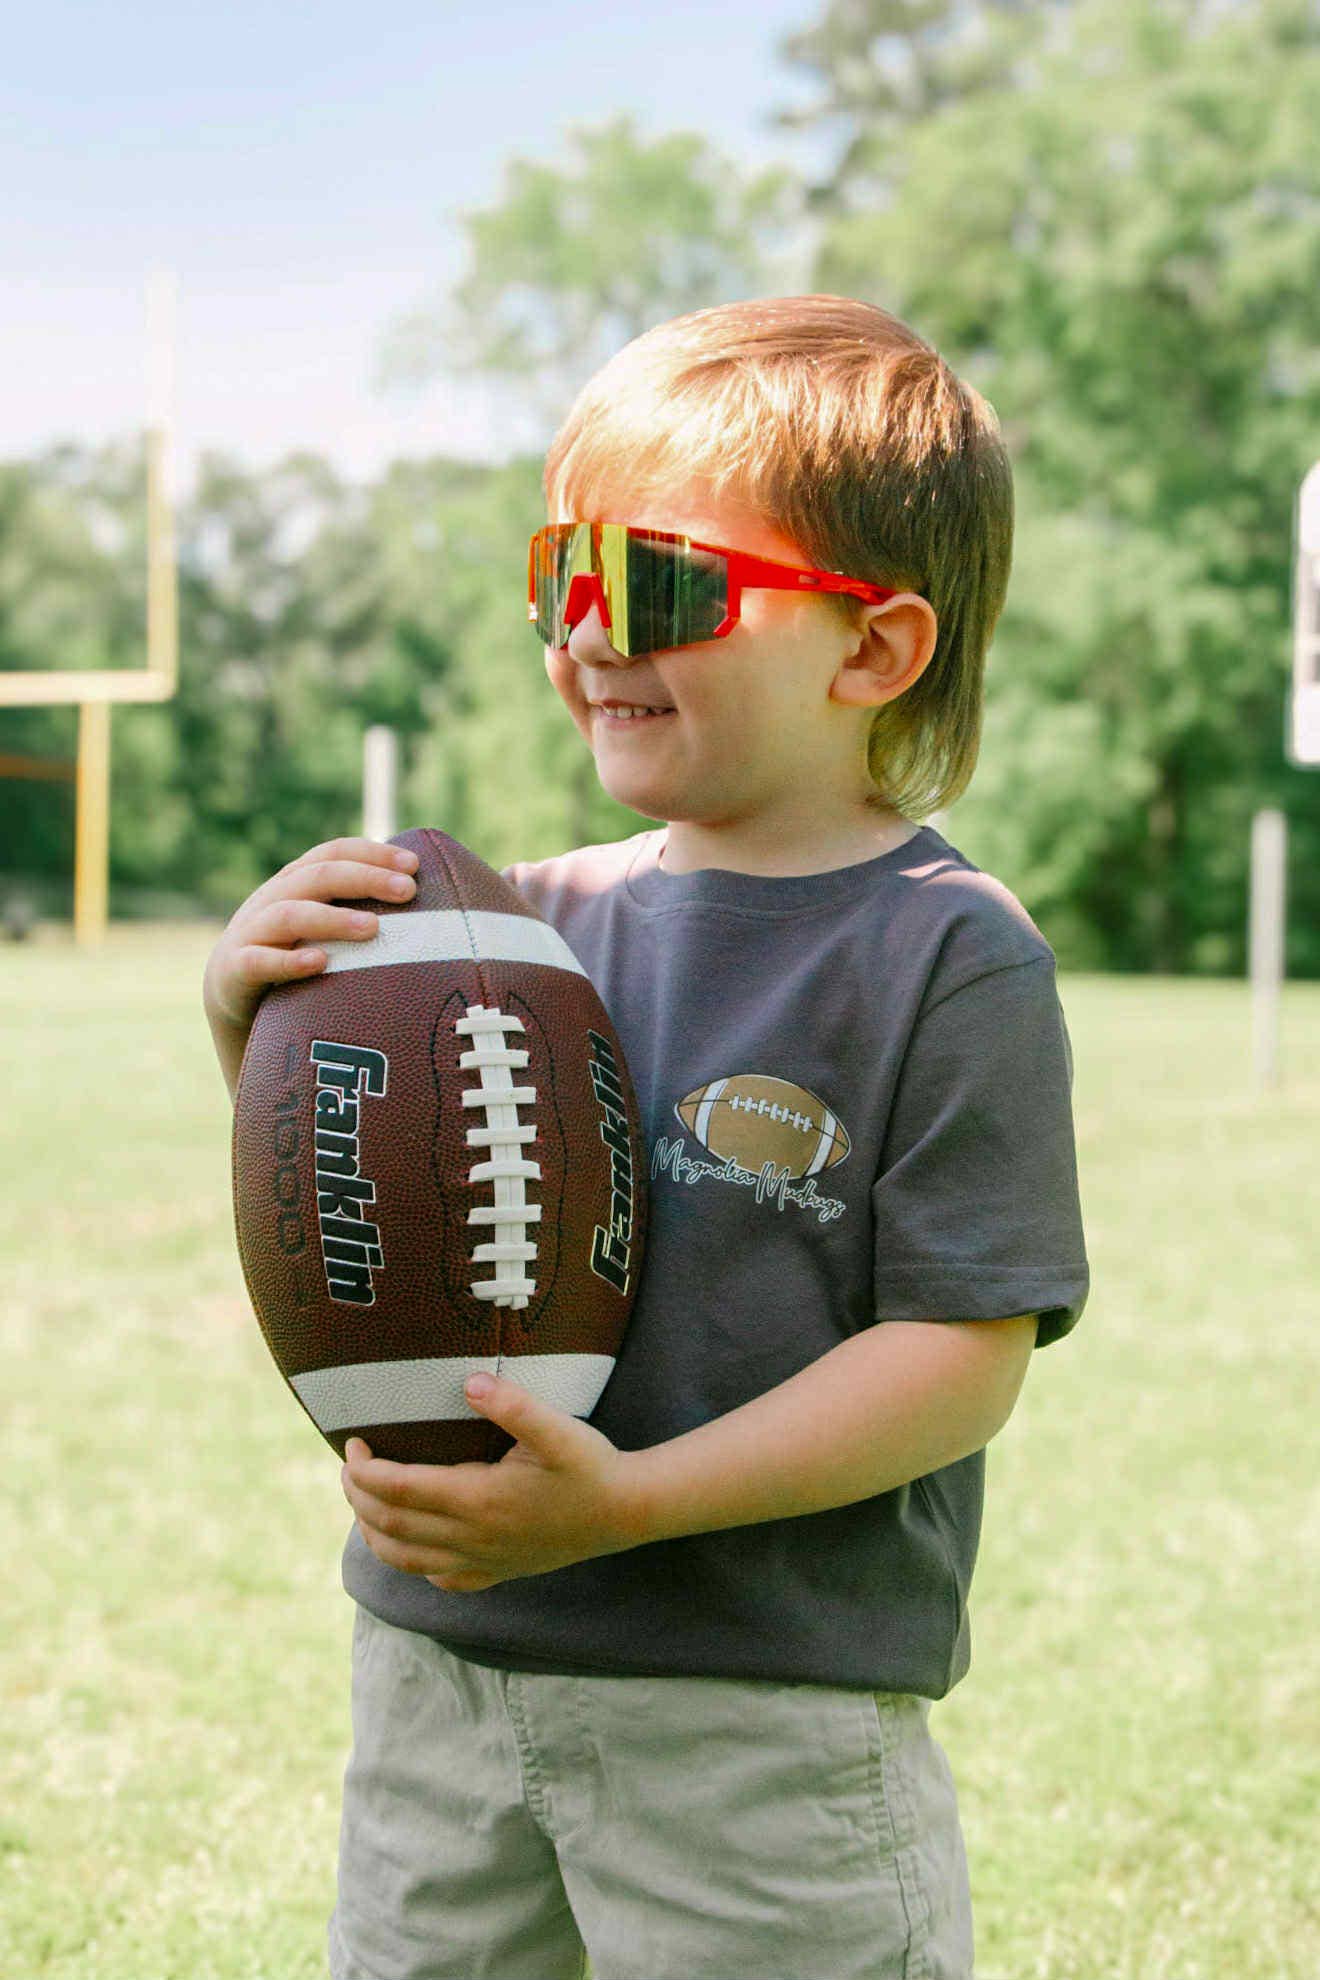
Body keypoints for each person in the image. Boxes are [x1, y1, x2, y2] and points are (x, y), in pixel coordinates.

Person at [203, 294, 1089, 1980]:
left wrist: (635, 1503)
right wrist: (251, 1025)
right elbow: (365, 1218)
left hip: (757, 1721)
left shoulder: (945, 951)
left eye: (660, 585)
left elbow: (963, 1351)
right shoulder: (497, 935)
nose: (590, 632)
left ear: (874, 649)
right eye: (564, 578)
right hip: (447, 1681)